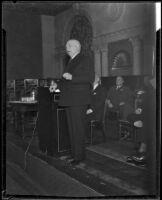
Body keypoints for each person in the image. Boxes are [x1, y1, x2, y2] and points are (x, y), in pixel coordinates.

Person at [51, 39, 94, 166]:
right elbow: (65, 79)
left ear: (77, 47)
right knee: (71, 128)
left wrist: (72, 77)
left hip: (78, 99)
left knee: (78, 128)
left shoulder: (85, 59)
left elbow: (90, 78)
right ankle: (75, 155)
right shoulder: (71, 61)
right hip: (70, 98)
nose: (67, 48)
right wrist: (56, 85)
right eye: (66, 46)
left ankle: (79, 156)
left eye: (69, 45)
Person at [85, 74, 107, 142]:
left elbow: (101, 102)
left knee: (84, 118)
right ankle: (83, 136)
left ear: (98, 79)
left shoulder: (102, 89)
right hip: (89, 110)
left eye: (93, 78)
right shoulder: (89, 89)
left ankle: (88, 137)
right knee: (79, 116)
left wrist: (91, 109)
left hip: (97, 112)